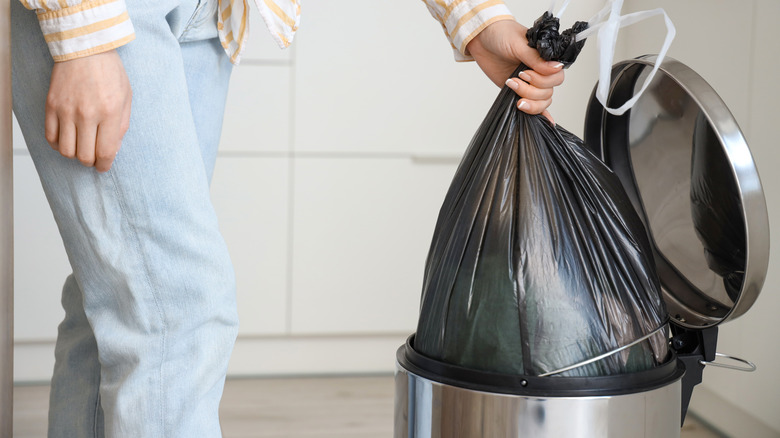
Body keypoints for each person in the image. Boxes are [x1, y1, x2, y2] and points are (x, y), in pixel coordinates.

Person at [11, 0, 565, 436]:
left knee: (122, 298)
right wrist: (81, 31)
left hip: (210, 14)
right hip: (110, 14)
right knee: (173, 307)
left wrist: (477, 17)